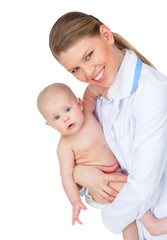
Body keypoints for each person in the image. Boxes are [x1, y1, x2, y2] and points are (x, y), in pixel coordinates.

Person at [49, 11, 167, 239]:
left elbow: (141, 189)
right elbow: (94, 158)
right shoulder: (98, 99)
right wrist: (80, 175)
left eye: (89, 55)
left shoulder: (151, 93)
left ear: (106, 34)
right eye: (75, 70)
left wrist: (108, 216)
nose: (88, 73)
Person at [37, 83, 167, 239]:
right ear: (50, 125)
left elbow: (91, 91)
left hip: (115, 175)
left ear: (79, 104)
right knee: (129, 189)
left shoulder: (88, 112)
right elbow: (66, 175)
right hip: (98, 187)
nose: (65, 118)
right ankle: (152, 224)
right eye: (56, 117)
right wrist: (75, 201)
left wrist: (102, 90)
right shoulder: (65, 146)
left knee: (127, 217)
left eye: (67, 109)